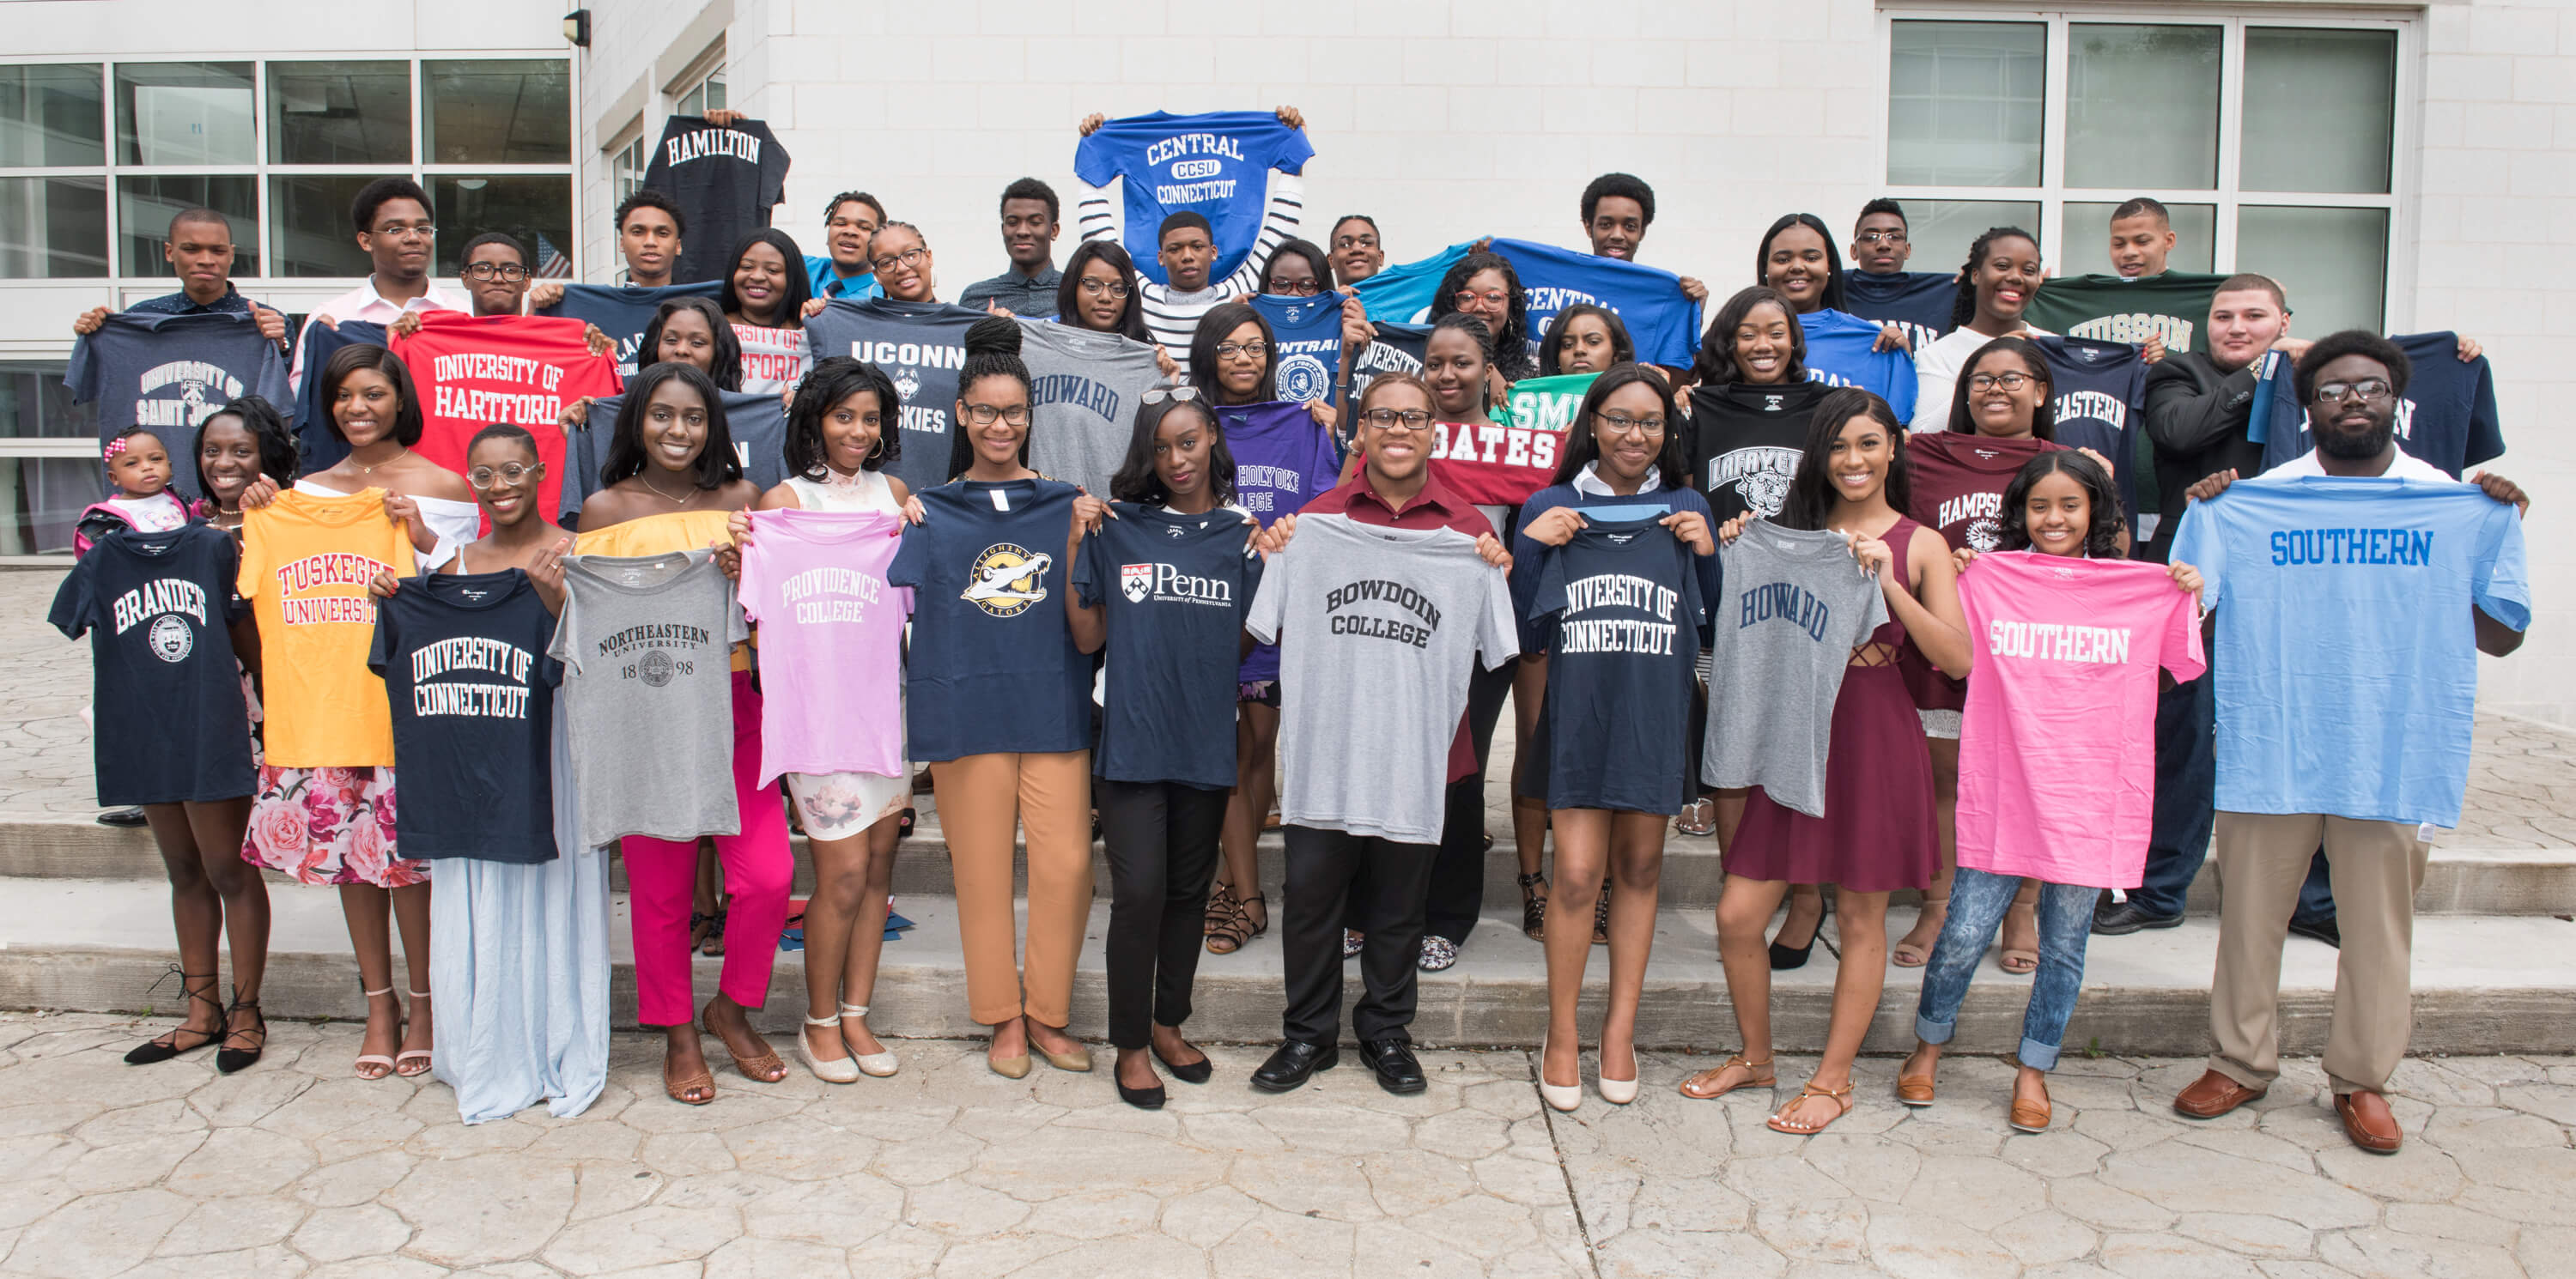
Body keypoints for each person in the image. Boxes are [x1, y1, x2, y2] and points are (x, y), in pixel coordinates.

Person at [2166, 332, 2529, 1155]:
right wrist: (2207, 517)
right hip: (2274, 739)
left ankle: (2362, 1079)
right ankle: (2239, 1061)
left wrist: (2490, 522)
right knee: (2250, 917)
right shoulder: (2256, 499)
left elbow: (2501, 635)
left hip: (2395, 746)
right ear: (2307, 408)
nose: (2352, 400)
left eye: (2368, 387)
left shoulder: (2450, 498)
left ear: (2396, 400)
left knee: (2377, 927)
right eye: (2333, 391)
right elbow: (2194, 617)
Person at [1682, 390, 1970, 1135]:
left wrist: (1887, 582)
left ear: (1894, 448)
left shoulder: (1920, 542)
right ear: (1820, 456)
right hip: (1792, 734)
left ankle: (1833, 1082)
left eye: (1868, 444)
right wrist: (1742, 541)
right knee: (1738, 914)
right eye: (1839, 447)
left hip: (1874, 735)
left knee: (1863, 916)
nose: (1853, 461)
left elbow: (1958, 659)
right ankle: (1756, 1058)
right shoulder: (1790, 531)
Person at [1901, 451, 2205, 1132]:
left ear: (2096, 510)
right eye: (2039, 506)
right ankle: (1928, 1046)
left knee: (2065, 946)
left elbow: (2173, 670)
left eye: (2070, 504)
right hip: (2005, 789)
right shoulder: (1988, 578)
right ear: (2020, 513)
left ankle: (2035, 1068)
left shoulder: (2137, 588)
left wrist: (2186, 595)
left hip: (2089, 798)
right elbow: (1949, 647)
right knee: (1962, 934)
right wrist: (1954, 581)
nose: (2054, 518)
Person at [1243, 371, 1514, 1096]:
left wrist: (1495, 565)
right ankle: (1306, 1037)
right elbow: (1261, 623)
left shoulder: (1468, 536)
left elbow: (1496, 651)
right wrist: (1278, 548)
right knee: (1310, 900)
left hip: (1414, 756)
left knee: (1400, 908)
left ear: (1435, 430)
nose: (1398, 430)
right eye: (1383, 417)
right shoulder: (1313, 523)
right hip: (1325, 754)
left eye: (1414, 418)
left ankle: (1387, 1034)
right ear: (1359, 430)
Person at [236, 343, 472, 1080]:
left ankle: (427, 1001)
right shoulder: (300, 494)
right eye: (343, 397)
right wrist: (256, 512)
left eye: (373, 393)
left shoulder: (441, 484)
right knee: (354, 868)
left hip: (407, 707)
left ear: (400, 396)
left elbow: (470, 590)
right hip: (324, 707)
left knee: (410, 866)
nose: (358, 409)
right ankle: (380, 1002)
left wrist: (423, 537)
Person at [368, 423, 610, 1124]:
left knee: (550, 891)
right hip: (472, 770)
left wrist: (557, 601)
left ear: (540, 473)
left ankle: (555, 1039)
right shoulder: (447, 569)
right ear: (469, 483)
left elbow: (600, 663)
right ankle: (487, 1041)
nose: (499, 486)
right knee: (483, 898)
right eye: (484, 475)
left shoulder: (572, 554)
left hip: (551, 761)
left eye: (513, 471)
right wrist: (395, 594)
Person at [575, 361, 784, 1105]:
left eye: (694, 418)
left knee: (769, 878)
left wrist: (745, 577)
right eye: (662, 415)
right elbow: (591, 626)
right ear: (637, 419)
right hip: (647, 711)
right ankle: (678, 1033)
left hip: (733, 705)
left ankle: (729, 1008)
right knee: (660, 893)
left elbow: (772, 615)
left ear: (714, 428)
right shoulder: (603, 511)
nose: (678, 431)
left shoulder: (741, 499)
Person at [891, 318, 1094, 1079]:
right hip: (967, 711)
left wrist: (1082, 534)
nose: (1000, 424)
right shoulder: (931, 509)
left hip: (1052, 708)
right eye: (986, 410)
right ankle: (1002, 1018)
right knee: (979, 871)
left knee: (1068, 864)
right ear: (961, 416)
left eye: (1014, 412)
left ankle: (1047, 1011)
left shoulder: (1064, 503)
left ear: (1029, 417)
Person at [1512, 366, 1718, 1109]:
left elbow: (1711, 624)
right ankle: (1561, 1033)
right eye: (1622, 420)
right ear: (1593, 423)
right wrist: (1532, 546)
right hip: (1578, 720)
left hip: (1655, 719)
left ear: (1670, 431)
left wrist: (1706, 554)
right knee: (1574, 875)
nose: (1637, 435)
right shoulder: (1551, 505)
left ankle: (1619, 1032)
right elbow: (1520, 629)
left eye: (1653, 423)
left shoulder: (1684, 509)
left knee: (1638, 870)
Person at [1065, 387, 1255, 1106]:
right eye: (1162, 446)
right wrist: (1079, 543)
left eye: (1188, 441)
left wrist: (1268, 554)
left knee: (1186, 892)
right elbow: (1088, 638)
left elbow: (1241, 643)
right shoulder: (1122, 527)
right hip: (1131, 739)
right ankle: (1131, 1045)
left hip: (1204, 737)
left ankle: (1168, 1023)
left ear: (1211, 437)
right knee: (1140, 891)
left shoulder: (1240, 534)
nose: (1176, 459)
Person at [56, 428, 268, 1074]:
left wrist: (271, 709)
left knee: (229, 868)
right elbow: (70, 619)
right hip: (142, 729)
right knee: (182, 871)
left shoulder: (210, 547)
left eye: (157, 460)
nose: (146, 469)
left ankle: (247, 1011)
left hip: (210, 724)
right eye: (132, 461)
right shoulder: (102, 556)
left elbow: (245, 635)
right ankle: (200, 1011)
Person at [730, 357, 913, 1082]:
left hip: (881, 717)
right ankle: (818, 1022)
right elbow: (751, 611)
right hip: (815, 725)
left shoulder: (894, 498)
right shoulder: (782, 507)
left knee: (876, 874)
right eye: (844, 416)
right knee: (838, 877)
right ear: (814, 420)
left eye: (871, 418)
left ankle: (858, 1015)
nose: (858, 432)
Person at [1897, 336, 2092, 975]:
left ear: (2042, 391)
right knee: (1946, 781)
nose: (1995, 389)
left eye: (2013, 378)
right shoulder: (1919, 454)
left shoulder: (2069, 463)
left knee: (2029, 783)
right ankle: (1940, 905)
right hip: (1945, 647)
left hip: (2032, 655)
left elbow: (2100, 559)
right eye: (1981, 378)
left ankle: (2022, 908)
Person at [1682, 286, 1831, 957]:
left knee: (1802, 751)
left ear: (1796, 340)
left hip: (1806, 607)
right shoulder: (1699, 407)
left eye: (1776, 331)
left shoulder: (1830, 408)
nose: (1763, 344)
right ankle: (1738, 893)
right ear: (1728, 341)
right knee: (1731, 755)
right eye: (1748, 332)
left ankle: (1808, 898)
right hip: (1727, 601)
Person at [1189, 301, 1334, 960]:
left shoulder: (1301, 426)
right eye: (1229, 348)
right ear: (1207, 355)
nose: (1244, 359)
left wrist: (1337, 438)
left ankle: (1229, 882)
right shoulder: (1187, 424)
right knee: (1220, 756)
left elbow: (1330, 508)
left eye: (1256, 347)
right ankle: (1247, 896)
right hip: (1207, 607)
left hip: (1281, 612)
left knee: (1256, 753)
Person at [1076, 107, 1309, 377]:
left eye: (1197, 247)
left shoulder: (1236, 296)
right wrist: (1094, 149)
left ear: (1213, 252)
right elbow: (1099, 239)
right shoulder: (1141, 297)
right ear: (1161, 257)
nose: (1187, 256)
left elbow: (1280, 230)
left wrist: (1294, 149)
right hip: (1158, 417)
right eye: (1175, 249)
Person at [289, 179, 463, 393]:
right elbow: (302, 398)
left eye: (423, 228)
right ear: (366, 241)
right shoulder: (333, 318)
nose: (413, 237)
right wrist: (326, 347)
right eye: (395, 229)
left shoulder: (463, 314)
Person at [72, 207, 289, 347]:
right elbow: (108, 379)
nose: (206, 260)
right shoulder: (141, 317)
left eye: (218, 251)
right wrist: (95, 335)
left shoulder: (269, 323)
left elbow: (290, 397)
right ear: (169, 252)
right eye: (191, 249)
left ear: (231, 255)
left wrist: (280, 345)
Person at [1908, 227, 2049, 434]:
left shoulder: (2050, 347)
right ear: (1975, 274)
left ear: (2039, 281)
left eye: (2028, 270)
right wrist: (1990, 356)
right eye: (2002, 266)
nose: (2016, 277)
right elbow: (1924, 434)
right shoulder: (1937, 355)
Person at [1579, 172, 1707, 301]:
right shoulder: (1564, 287)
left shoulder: (1660, 297)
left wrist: (1694, 311)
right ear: (1588, 227)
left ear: (1642, 232)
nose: (1617, 235)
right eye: (1606, 225)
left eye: (1630, 227)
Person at [719, 228, 813, 396]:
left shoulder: (811, 334)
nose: (757, 276)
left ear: (792, 279)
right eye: (747, 267)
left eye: (772, 270)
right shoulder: (712, 327)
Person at [1427, 250, 1536, 389]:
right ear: (1451, 303)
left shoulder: (1532, 376)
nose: (1479, 307)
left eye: (1493, 297)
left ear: (1511, 307)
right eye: (1467, 297)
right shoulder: (1426, 365)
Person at [191, 396, 301, 534]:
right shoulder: (193, 533)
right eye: (212, 451)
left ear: (270, 456)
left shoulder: (291, 528)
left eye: (241, 451)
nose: (223, 464)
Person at [958, 179, 1066, 318]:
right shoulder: (975, 299)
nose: (1022, 231)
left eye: (1035, 222)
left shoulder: (1075, 295)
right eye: (1013, 222)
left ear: (1054, 230)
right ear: (1003, 229)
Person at [806, 191, 887, 300]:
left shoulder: (882, 301)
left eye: (864, 227)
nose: (850, 231)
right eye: (840, 224)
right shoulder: (804, 269)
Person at [1538, 304, 1635, 377]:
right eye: (1568, 344)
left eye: (1593, 342)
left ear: (1617, 353)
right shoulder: (1534, 398)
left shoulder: (1638, 396)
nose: (1579, 350)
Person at [866, 221, 941, 305]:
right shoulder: (862, 317)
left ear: (928, 257)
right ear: (877, 275)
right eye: (887, 263)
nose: (902, 268)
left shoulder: (956, 317)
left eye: (910, 255)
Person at [1327, 215, 1385, 288]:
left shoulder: (1401, 297)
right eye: (1345, 244)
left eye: (1367, 243)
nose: (1357, 249)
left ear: (1381, 257)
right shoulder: (1313, 298)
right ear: (1330, 260)